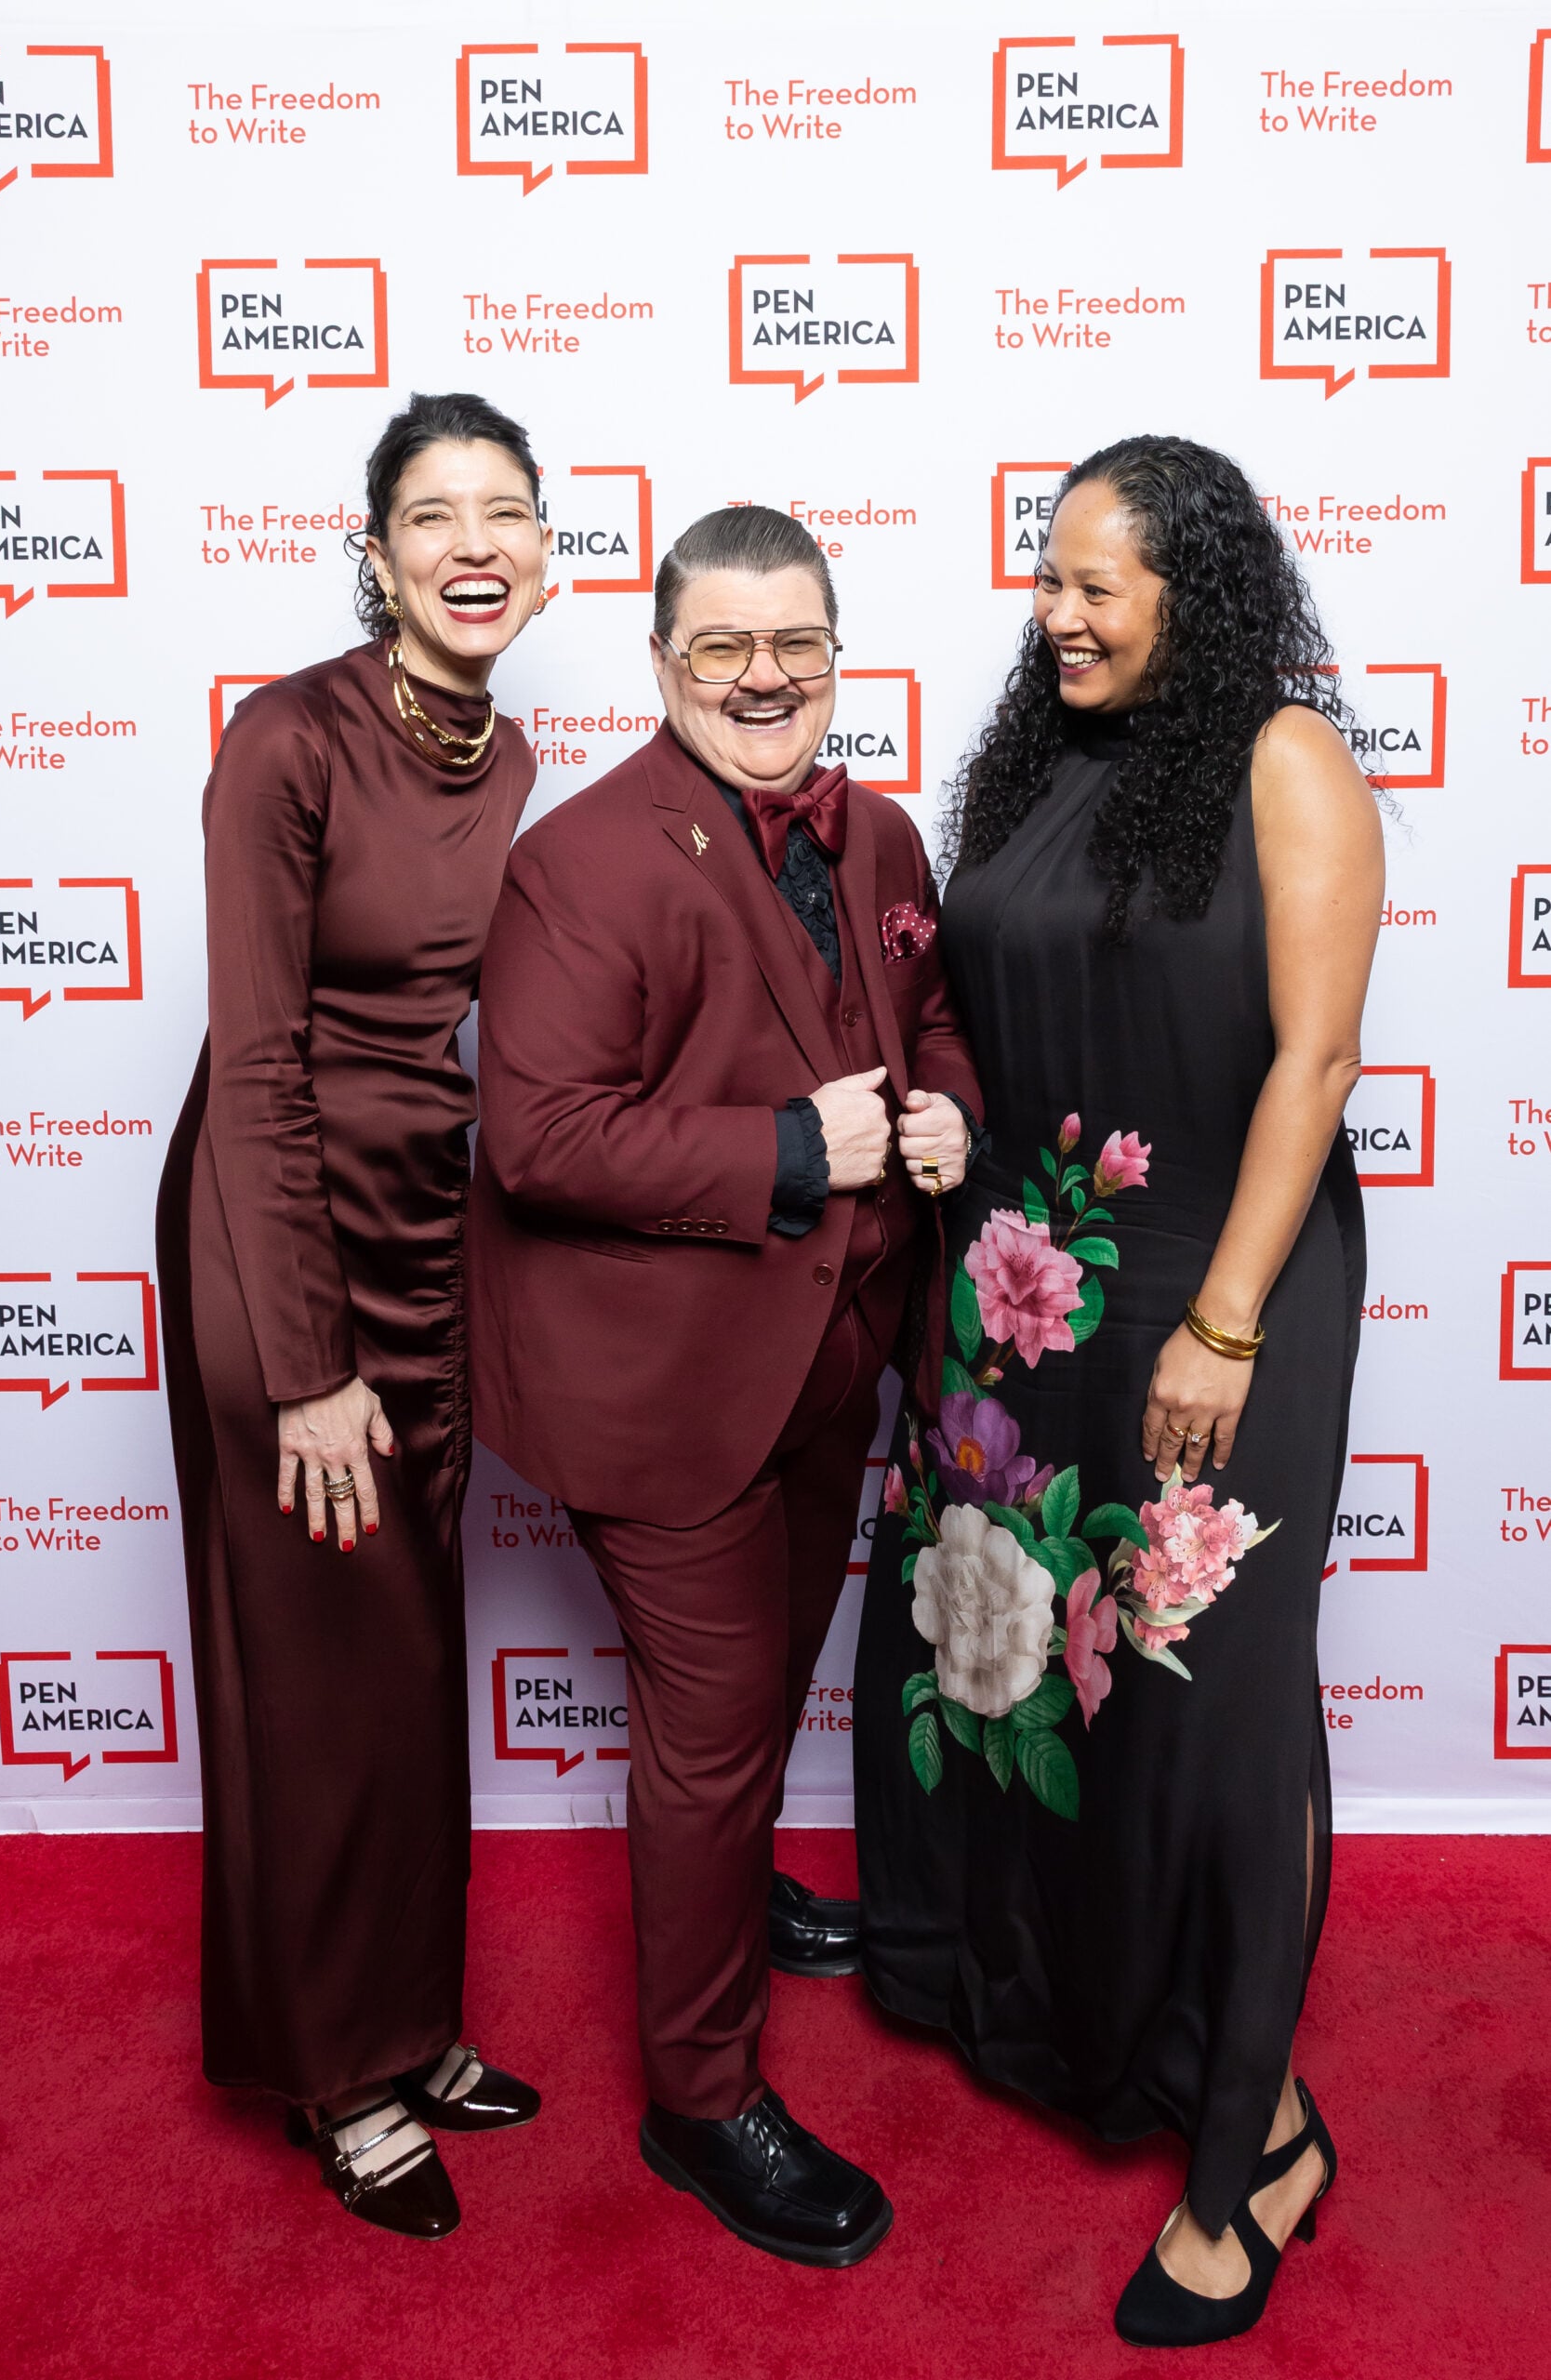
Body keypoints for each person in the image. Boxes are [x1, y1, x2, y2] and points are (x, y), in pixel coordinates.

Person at [853, 436, 1383, 2345]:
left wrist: (1223, 1320)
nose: (1054, 613)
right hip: (1028, 1290)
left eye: (1097, 583)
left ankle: (1241, 2155)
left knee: (1215, 1715)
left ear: (1198, 587)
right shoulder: (1040, 759)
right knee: (1052, 1678)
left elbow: (1310, 1060)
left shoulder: (1282, 760)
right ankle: (1120, 2023)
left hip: (1212, 1290)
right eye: (1046, 578)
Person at [468, 504, 982, 2267]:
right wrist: (787, 1143)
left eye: (798, 645)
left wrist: (947, 1117)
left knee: (770, 1674)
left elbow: (936, 1028)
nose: (766, 679)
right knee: (702, 1737)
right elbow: (536, 1139)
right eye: (724, 649)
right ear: (665, 660)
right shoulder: (580, 861)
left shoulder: (885, 835)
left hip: (837, 1358)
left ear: (836, 646)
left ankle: (735, 1890)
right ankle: (698, 2100)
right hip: (663, 1388)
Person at [156, 391, 551, 2241]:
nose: (472, 546)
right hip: (273, 1231)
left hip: (425, 1230)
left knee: (404, 1655)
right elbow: (255, 1064)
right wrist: (307, 1363)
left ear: (543, 551)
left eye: (505, 515)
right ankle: (338, 2073)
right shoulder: (285, 739)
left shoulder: (517, 752)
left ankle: (409, 2020)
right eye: (432, 516)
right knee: (319, 1663)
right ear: (376, 548)